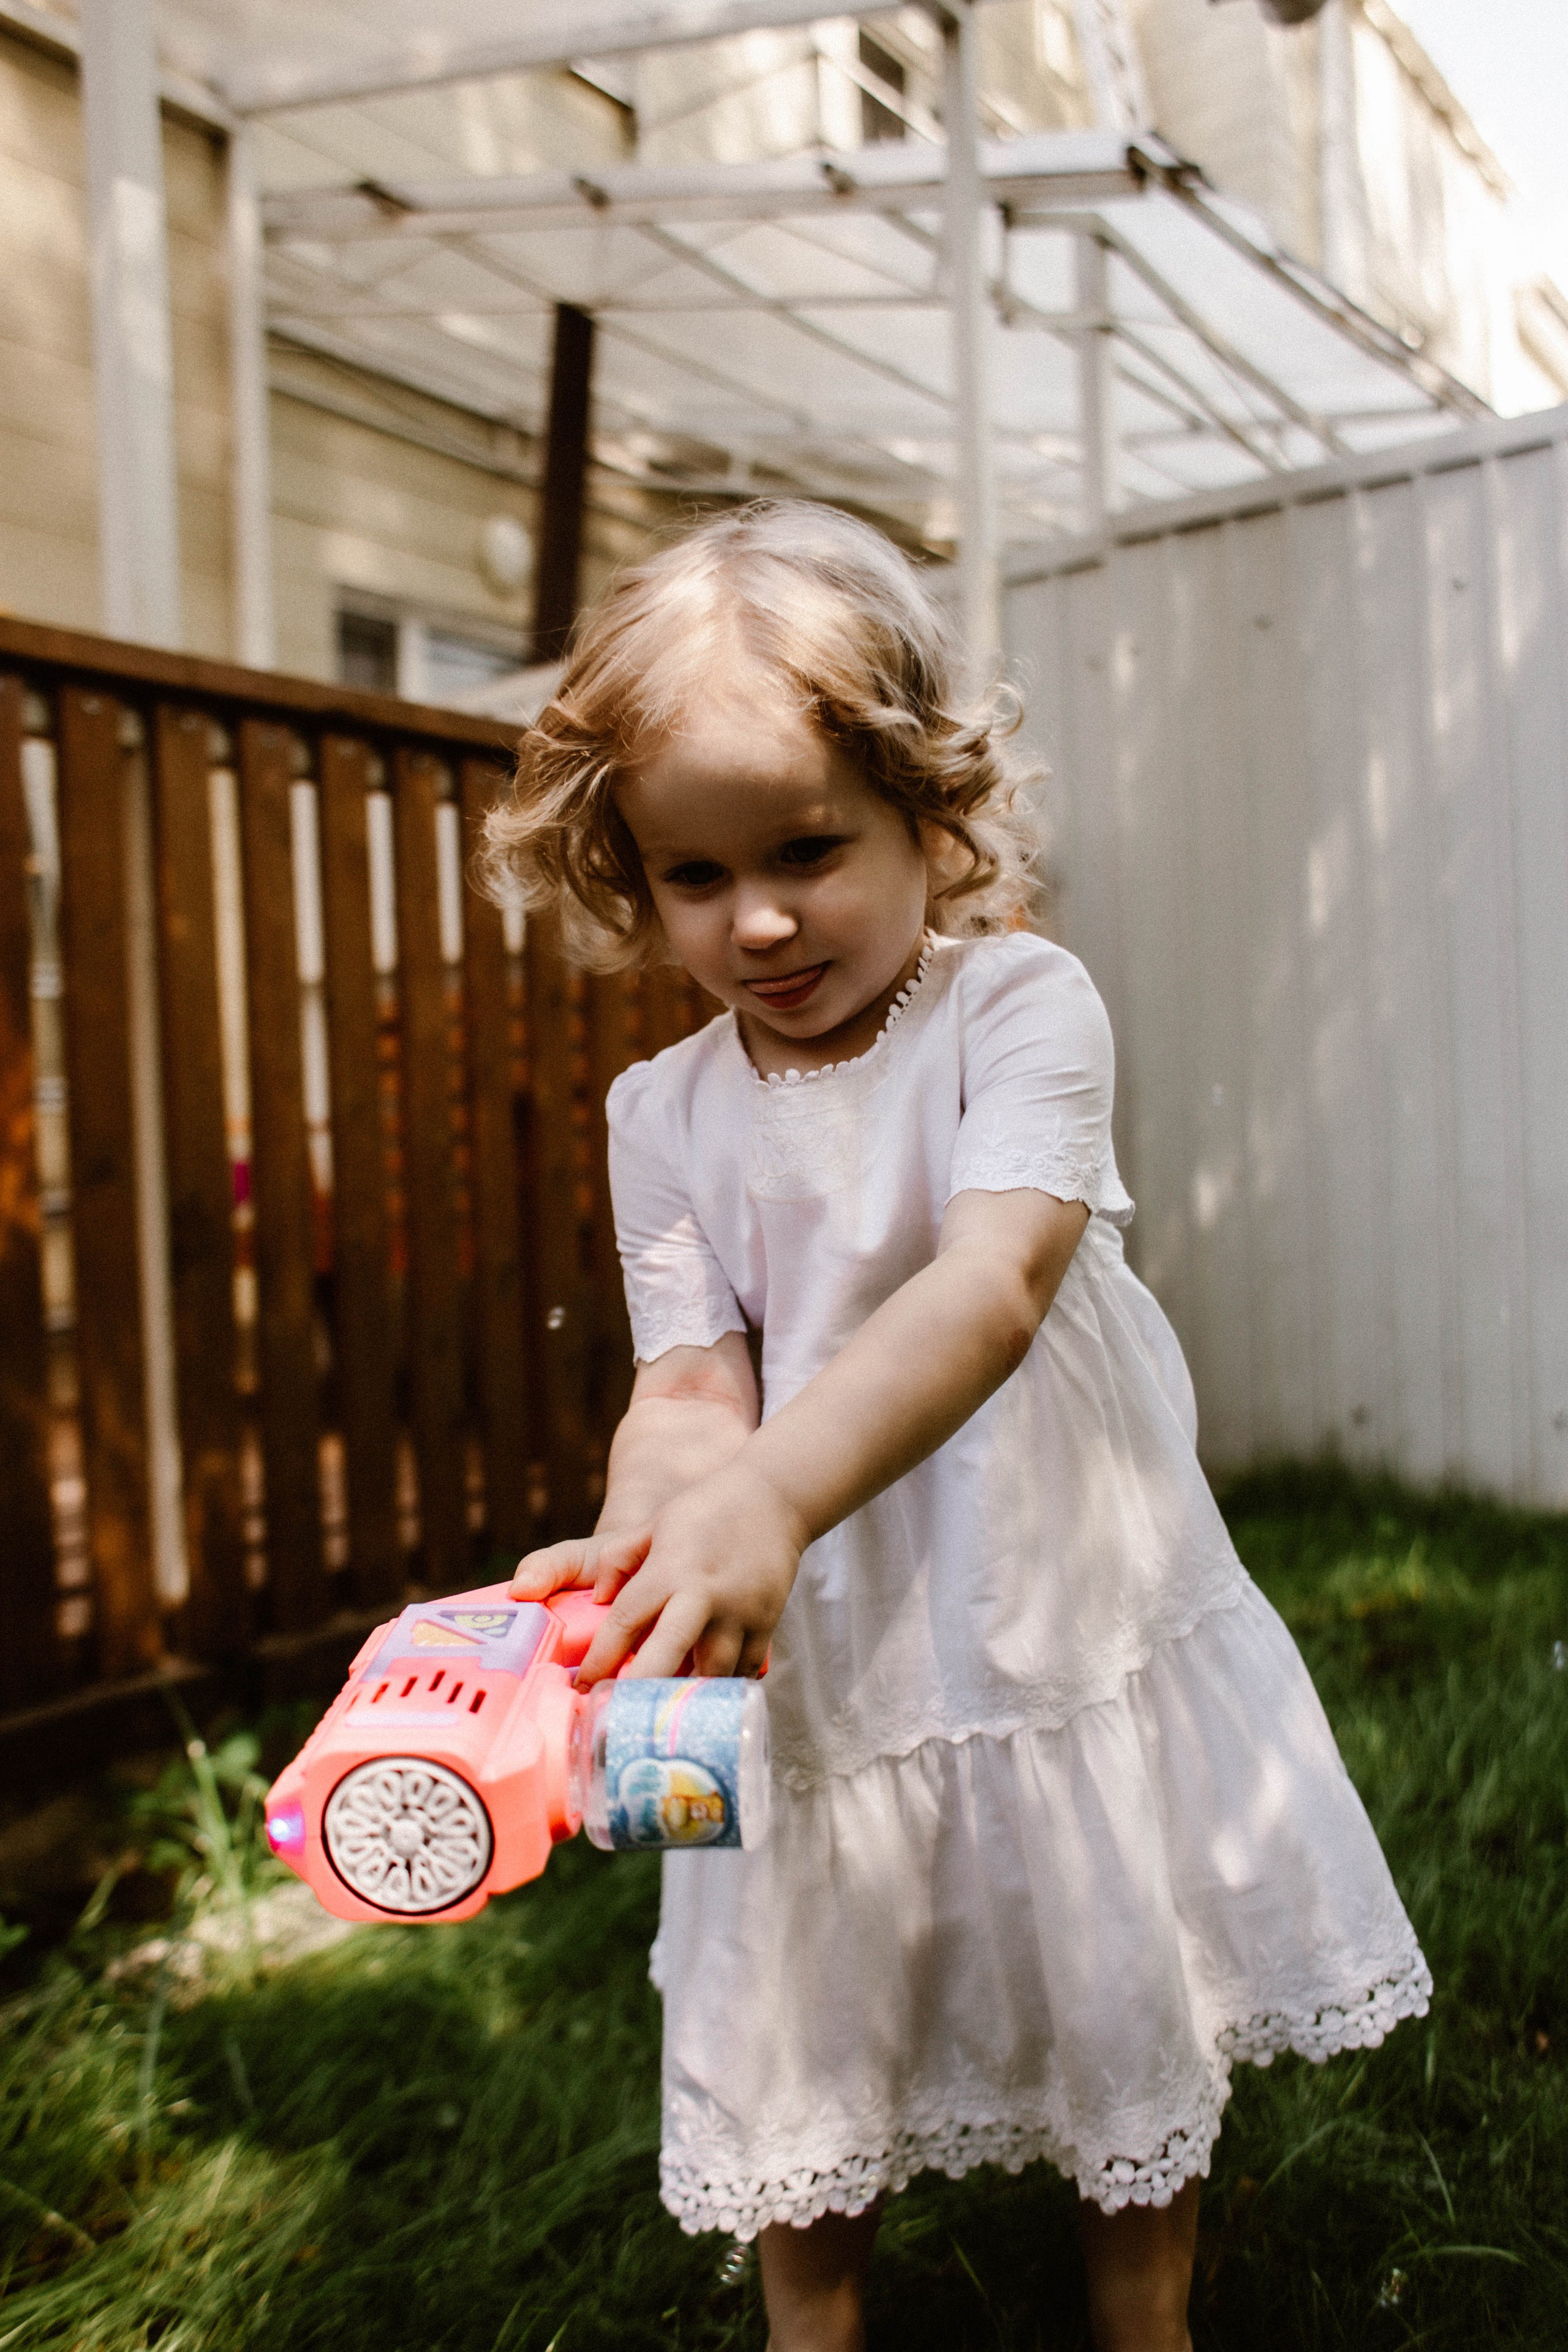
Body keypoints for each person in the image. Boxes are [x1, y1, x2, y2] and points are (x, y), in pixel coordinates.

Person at [485, 502, 1430, 2351]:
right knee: (792, 1935)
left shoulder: (1018, 1008)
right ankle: (811, 2313)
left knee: (1098, 1917)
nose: (754, 920)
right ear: (630, 877)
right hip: (812, 1596)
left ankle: (1140, 2301)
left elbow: (989, 1288)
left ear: (935, 813)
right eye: (691, 876)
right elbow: (687, 1384)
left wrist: (765, 1492)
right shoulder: (660, 1112)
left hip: (1038, 1567)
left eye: (809, 850)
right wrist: (653, 1530)